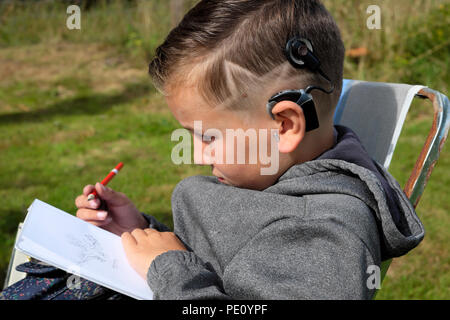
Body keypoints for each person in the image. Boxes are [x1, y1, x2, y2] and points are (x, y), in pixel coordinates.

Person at [1, 0, 424, 300]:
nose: (199, 154)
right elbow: (225, 253)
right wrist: (141, 231)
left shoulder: (327, 236)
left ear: (285, 125)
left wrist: (168, 269)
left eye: (207, 136)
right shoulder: (272, 174)